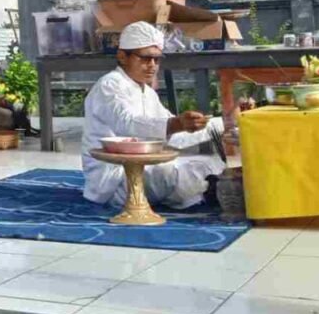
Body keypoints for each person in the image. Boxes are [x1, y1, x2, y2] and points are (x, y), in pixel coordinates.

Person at [82, 21, 226, 210]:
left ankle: (207, 192)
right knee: (171, 173)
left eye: (157, 60)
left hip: (145, 167)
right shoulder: (109, 85)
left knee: (210, 166)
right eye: (145, 58)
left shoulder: (146, 92)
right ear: (122, 56)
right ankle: (208, 193)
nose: (152, 66)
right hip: (113, 180)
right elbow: (127, 124)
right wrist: (177, 123)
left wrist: (226, 122)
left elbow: (176, 137)